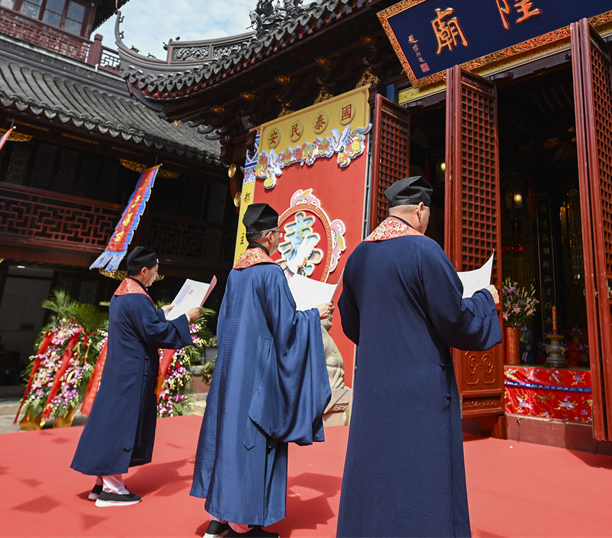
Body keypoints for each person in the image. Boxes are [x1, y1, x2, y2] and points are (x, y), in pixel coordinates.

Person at [336, 176, 502, 538]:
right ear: (421, 209)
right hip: (418, 390)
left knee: (375, 471)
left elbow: (350, 321)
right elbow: (454, 319)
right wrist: (486, 299)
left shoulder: (359, 255)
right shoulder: (424, 251)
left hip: (374, 387)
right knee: (421, 475)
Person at [191, 203, 331, 538]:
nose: (280, 240)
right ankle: (242, 523)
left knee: (226, 437)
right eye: (278, 234)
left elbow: (226, 323)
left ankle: (218, 518)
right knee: (250, 442)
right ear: (268, 236)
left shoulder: (236, 273)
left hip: (230, 371)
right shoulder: (270, 273)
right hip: (256, 373)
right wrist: (315, 315)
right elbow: (287, 327)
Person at [71, 246, 201, 506]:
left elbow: (140, 324)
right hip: (132, 373)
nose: (156, 275)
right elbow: (154, 334)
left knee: (108, 422)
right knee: (121, 425)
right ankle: (113, 490)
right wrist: (184, 319)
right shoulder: (138, 298)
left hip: (120, 369)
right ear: (144, 271)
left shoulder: (123, 293)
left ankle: (101, 482)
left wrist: (161, 313)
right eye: (155, 271)